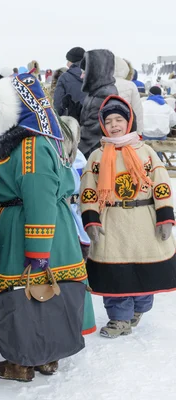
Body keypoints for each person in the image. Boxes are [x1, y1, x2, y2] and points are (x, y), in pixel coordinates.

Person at [0, 74, 95, 382]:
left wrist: (37, 250)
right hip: (41, 229)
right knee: (42, 293)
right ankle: (46, 357)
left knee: (26, 293)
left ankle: (21, 362)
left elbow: (39, 198)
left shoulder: (31, 146)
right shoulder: (35, 140)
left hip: (29, 230)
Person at [80, 95, 176, 338]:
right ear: (102, 125)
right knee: (115, 273)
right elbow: (89, 190)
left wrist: (165, 217)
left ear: (129, 121)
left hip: (144, 219)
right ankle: (119, 318)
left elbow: (161, 184)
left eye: (119, 119)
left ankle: (139, 307)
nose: (114, 125)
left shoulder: (146, 152)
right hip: (112, 221)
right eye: (109, 121)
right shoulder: (97, 156)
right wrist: (91, 219)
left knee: (144, 271)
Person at [79, 49, 119, 158]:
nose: (81, 77)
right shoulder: (96, 93)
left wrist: (71, 151)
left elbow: (90, 134)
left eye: (84, 72)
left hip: (95, 156)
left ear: (94, 73)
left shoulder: (103, 96)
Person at [114, 56, 144, 133]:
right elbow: (137, 110)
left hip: (107, 126)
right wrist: (139, 132)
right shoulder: (131, 85)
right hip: (126, 126)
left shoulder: (102, 84)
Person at [54, 47, 86, 119]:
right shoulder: (95, 76)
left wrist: (58, 118)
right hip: (92, 121)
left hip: (72, 121)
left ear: (72, 61)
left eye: (68, 61)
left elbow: (58, 104)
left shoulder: (64, 78)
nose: (67, 64)